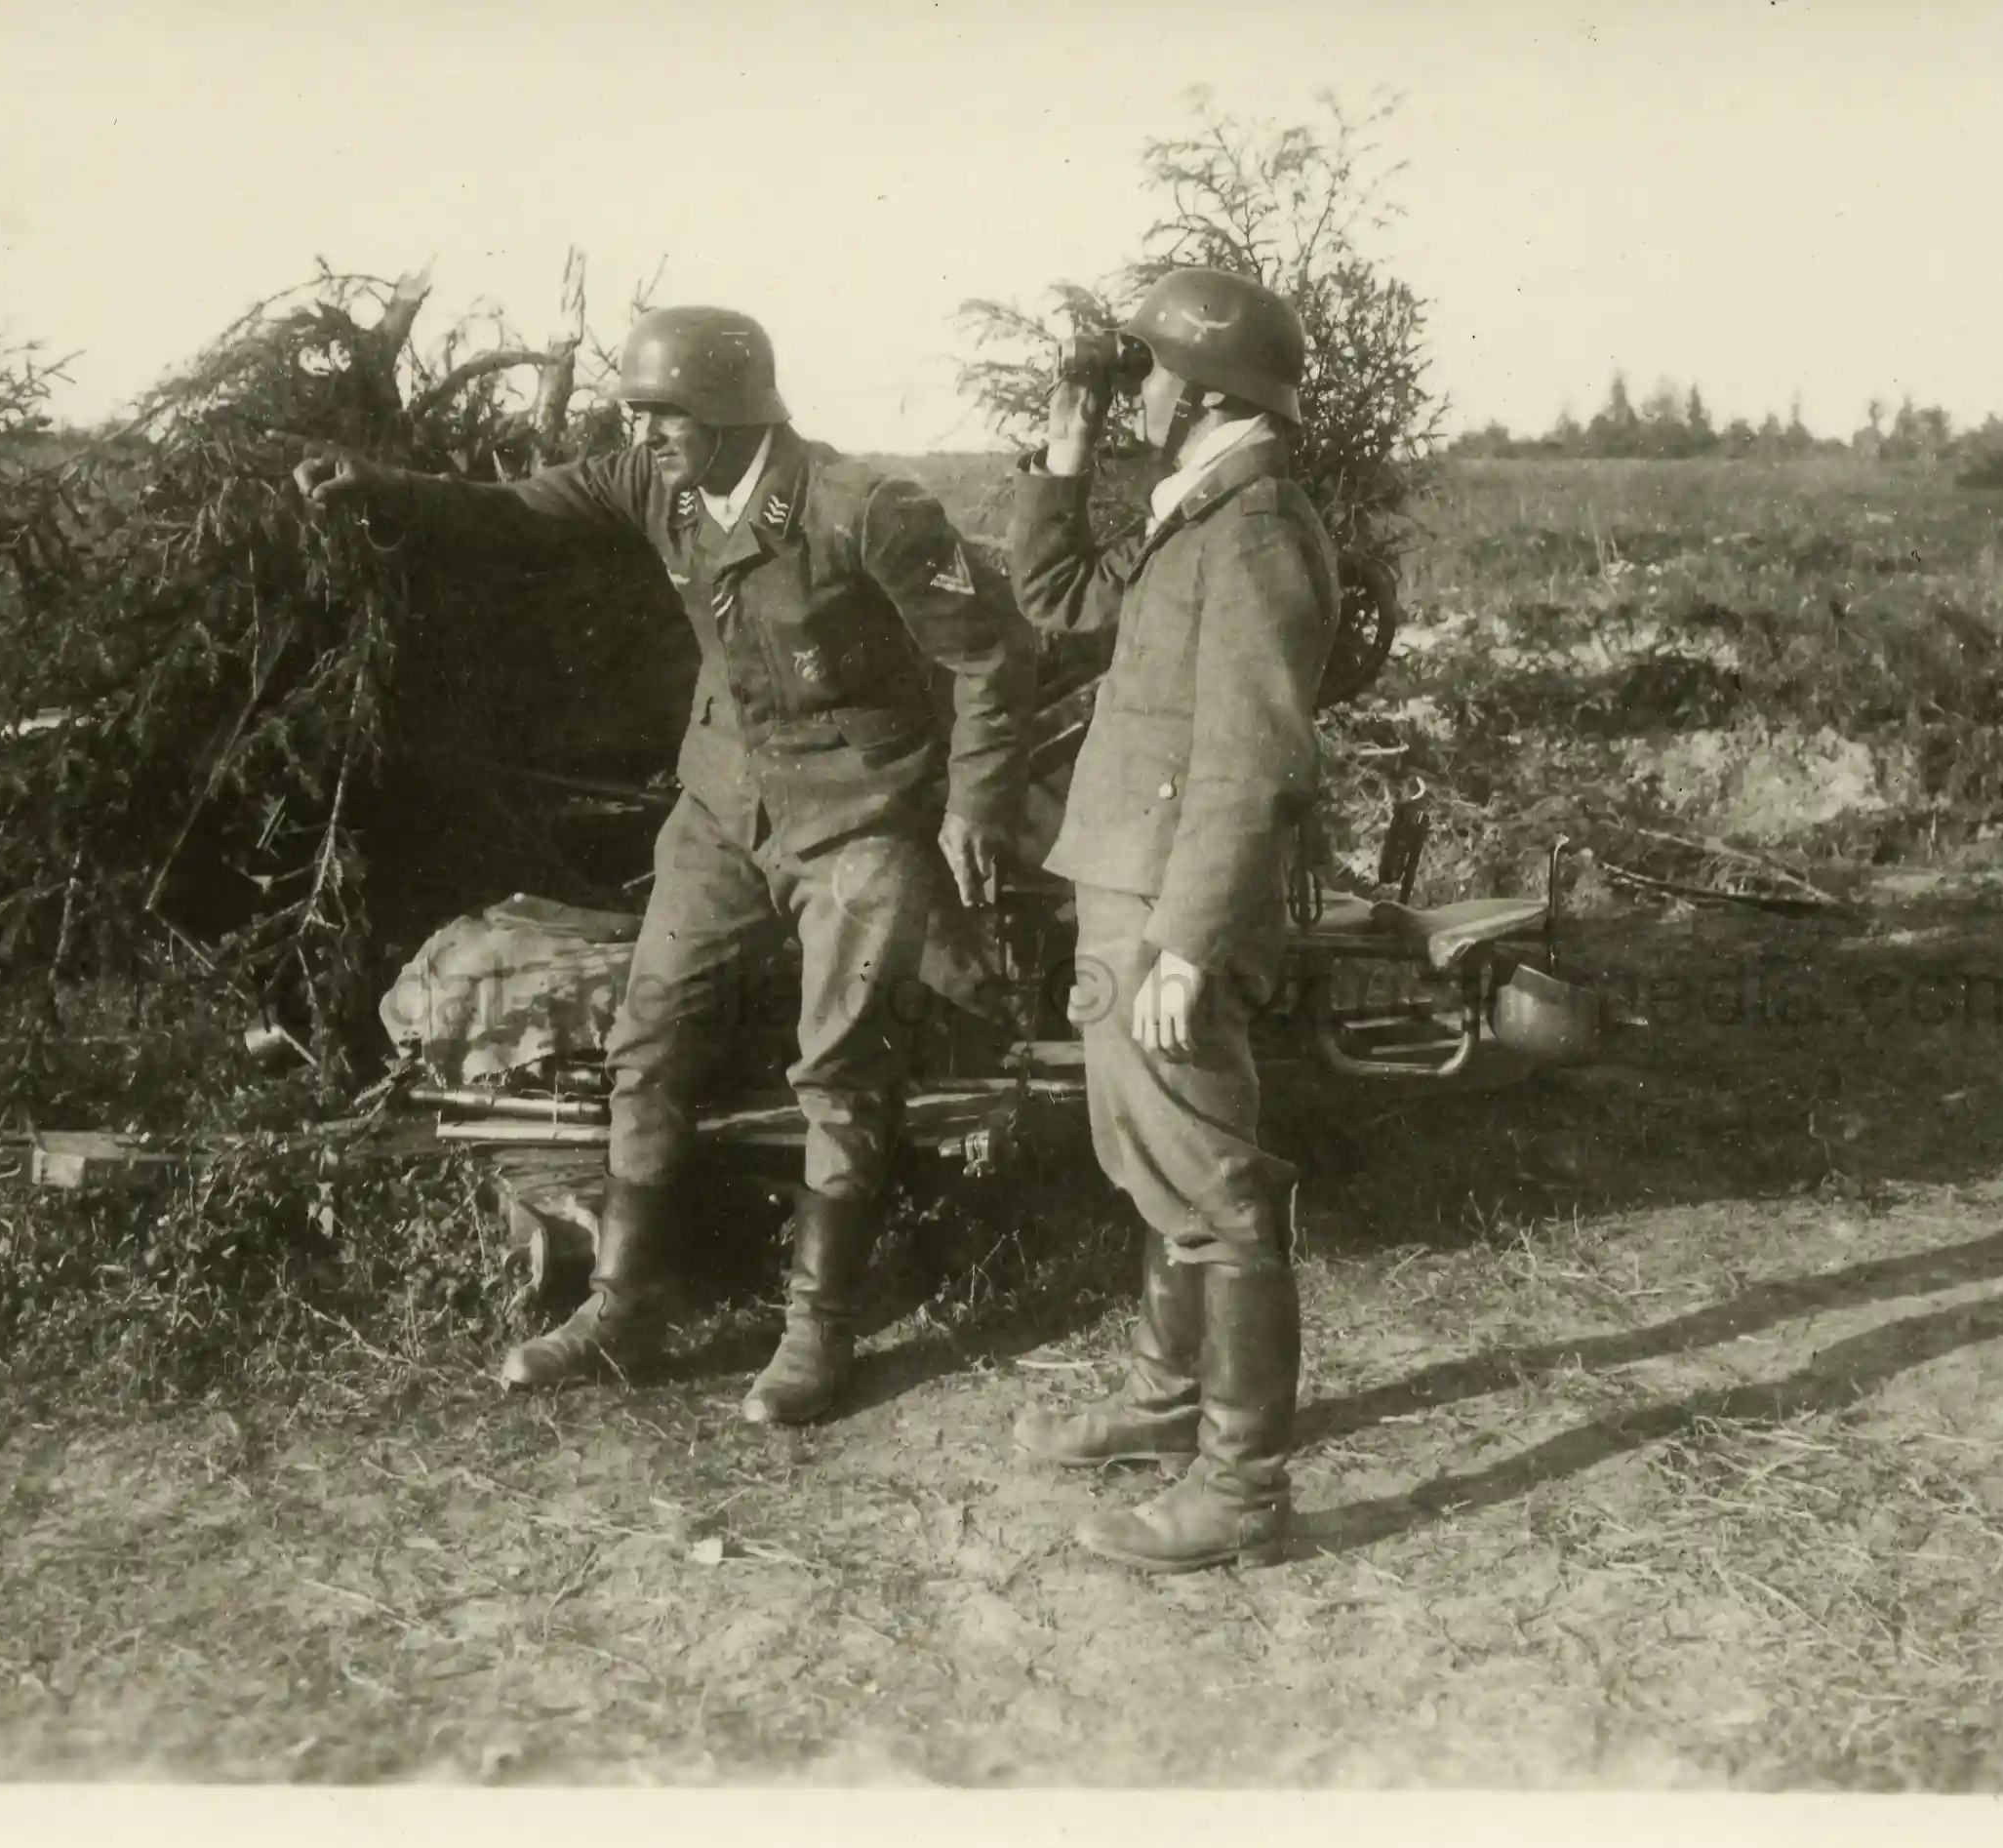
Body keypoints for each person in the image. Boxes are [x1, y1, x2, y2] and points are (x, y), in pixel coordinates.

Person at [295, 306, 1029, 1426]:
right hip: (724, 808)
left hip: (858, 816)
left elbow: (992, 652)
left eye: (663, 413)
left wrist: (974, 803)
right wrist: (383, 488)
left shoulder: (865, 507)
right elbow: (519, 512)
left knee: (842, 1065)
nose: (641, 433)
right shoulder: (660, 486)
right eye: (635, 413)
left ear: (732, 412)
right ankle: (626, 1305)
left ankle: (817, 1330)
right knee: (651, 1035)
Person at [1004, 268, 1339, 1572]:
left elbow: (1255, 760)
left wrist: (1188, 940)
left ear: (1206, 391)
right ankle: (1165, 1402)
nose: (1138, 388)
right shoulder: (1198, 508)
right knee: (1159, 1161)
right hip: (1135, 881)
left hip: (1171, 899)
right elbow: (1062, 602)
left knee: (1214, 1186)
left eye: (1152, 370)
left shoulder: (1254, 529)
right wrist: (1062, 460)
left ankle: (1244, 1488)